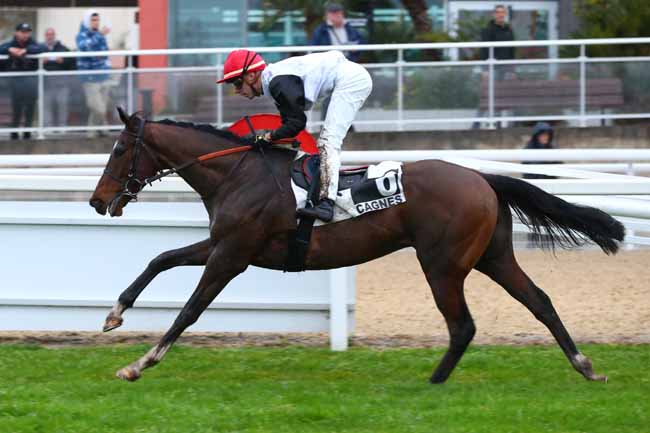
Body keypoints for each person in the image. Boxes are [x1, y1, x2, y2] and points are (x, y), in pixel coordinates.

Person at [216, 49, 372, 222]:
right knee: (326, 141)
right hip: (347, 77)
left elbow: (296, 124)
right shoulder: (275, 82)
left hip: (352, 80)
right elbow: (289, 127)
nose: (237, 90)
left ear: (252, 75)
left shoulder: (278, 82)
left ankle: (326, 204)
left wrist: (267, 138)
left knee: (328, 142)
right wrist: (270, 138)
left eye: (237, 83)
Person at [310, 2, 366, 123]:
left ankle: (347, 126)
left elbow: (361, 43)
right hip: (329, 68)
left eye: (338, 13)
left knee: (347, 97)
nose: (336, 16)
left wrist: (354, 51)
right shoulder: (321, 31)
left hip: (347, 65)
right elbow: (314, 48)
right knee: (329, 97)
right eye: (333, 13)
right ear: (327, 15)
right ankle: (325, 124)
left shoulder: (349, 29)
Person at [0, 23, 46, 140]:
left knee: (30, 107)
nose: (25, 34)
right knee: (17, 108)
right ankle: (14, 132)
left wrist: (25, 51)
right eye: (22, 32)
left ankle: (27, 132)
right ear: (16, 32)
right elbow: (2, 48)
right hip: (15, 82)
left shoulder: (33, 44)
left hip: (31, 81)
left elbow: (42, 48)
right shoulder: (10, 44)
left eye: (27, 32)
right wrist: (10, 50)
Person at [76, 10, 111, 137]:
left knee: (99, 107)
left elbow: (104, 53)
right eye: (93, 20)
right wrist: (100, 35)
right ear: (87, 21)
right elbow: (85, 47)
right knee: (98, 108)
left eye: (97, 20)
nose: (96, 22)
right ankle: (103, 129)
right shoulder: (82, 35)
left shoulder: (99, 35)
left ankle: (92, 133)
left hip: (104, 76)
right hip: (90, 78)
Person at [43, 28, 76, 127]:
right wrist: (41, 62)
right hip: (45, 84)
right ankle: (47, 127)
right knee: (46, 106)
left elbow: (72, 63)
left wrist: (63, 61)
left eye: (52, 34)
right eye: (48, 34)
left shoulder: (63, 48)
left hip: (61, 84)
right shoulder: (40, 48)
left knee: (62, 105)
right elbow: (32, 63)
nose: (50, 36)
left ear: (55, 35)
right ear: (45, 36)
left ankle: (62, 126)